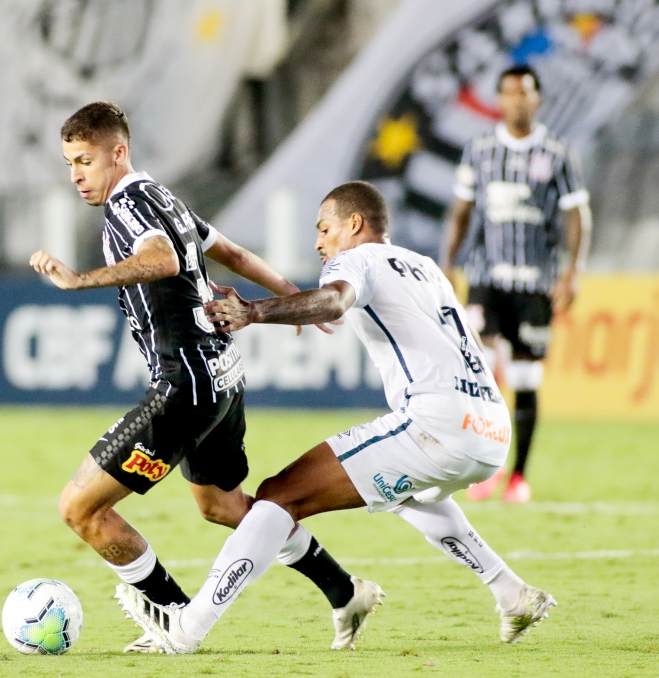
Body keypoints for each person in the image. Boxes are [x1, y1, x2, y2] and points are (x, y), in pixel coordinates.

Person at [116, 180, 557, 653]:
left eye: (324, 228)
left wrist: (253, 311)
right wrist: (283, 301)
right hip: (489, 428)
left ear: (355, 224)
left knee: (277, 497)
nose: (318, 242)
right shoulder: (424, 267)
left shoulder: (356, 259)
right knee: (408, 493)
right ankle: (511, 593)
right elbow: (343, 305)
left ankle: (187, 628)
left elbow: (336, 299)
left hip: (437, 425)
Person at [29, 101, 362, 654]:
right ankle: (344, 590)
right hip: (220, 377)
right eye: (69, 164)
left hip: (183, 388)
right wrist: (293, 297)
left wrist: (78, 280)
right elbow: (227, 251)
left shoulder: (128, 206)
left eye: (84, 160)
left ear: (118, 152)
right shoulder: (162, 195)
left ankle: (175, 617)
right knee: (222, 507)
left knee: (80, 508)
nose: (76, 176)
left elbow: (161, 261)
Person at [441, 65, 592, 503]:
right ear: (499, 100)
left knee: (525, 376)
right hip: (488, 279)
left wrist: (572, 270)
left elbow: (577, 213)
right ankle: (485, 469)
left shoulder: (557, 152)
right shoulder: (481, 149)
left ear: (537, 99)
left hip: (535, 282)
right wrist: (447, 265)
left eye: (524, 93)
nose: (516, 101)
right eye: (508, 93)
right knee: (483, 374)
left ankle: (518, 476)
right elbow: (461, 211)